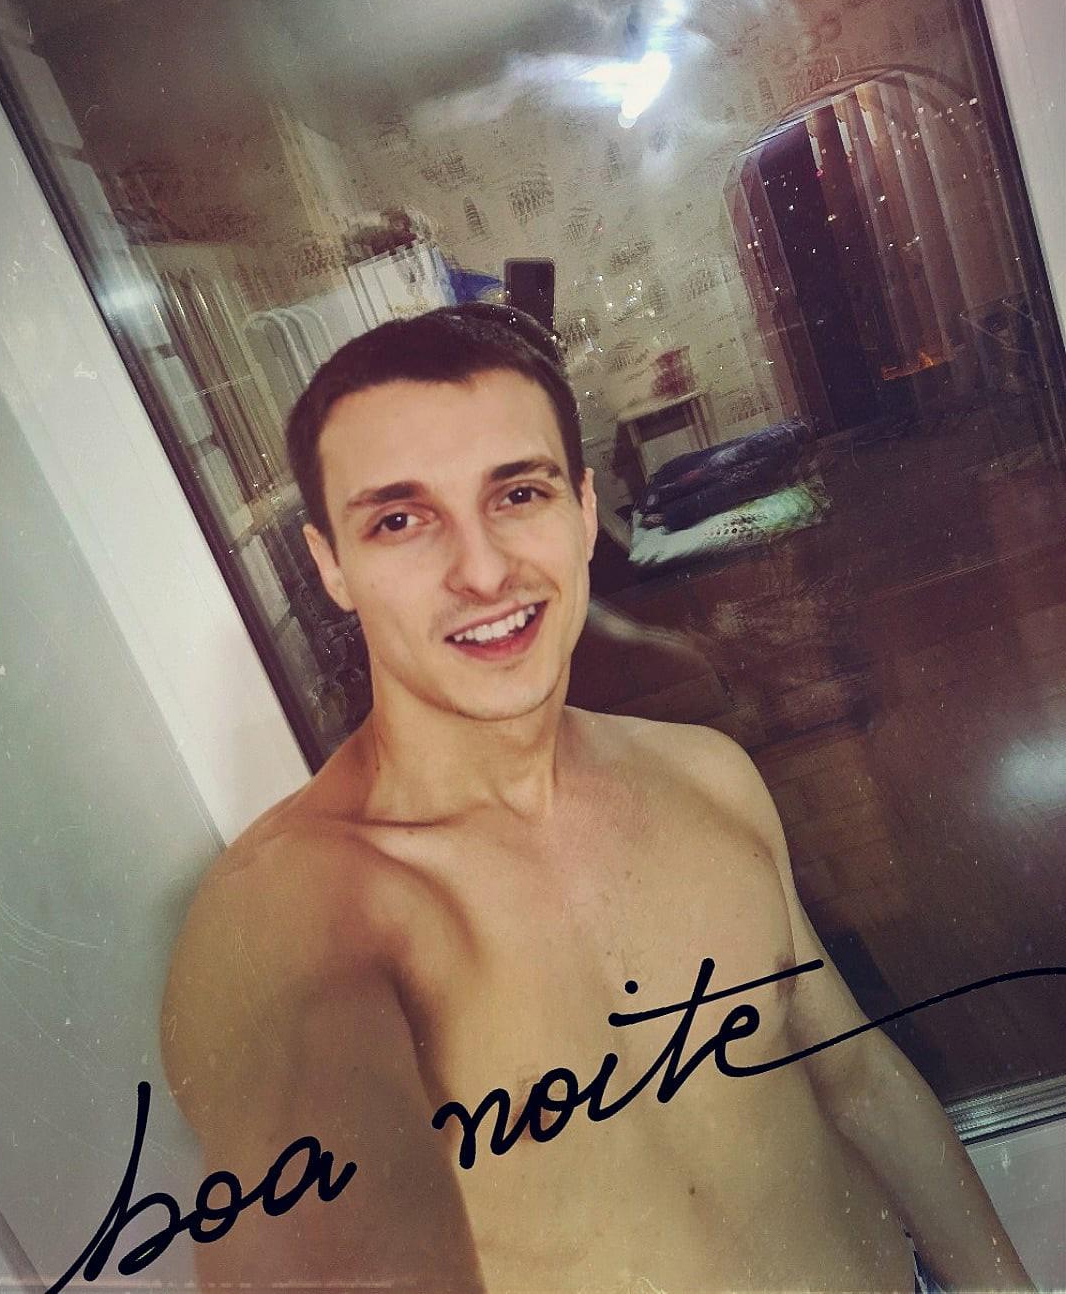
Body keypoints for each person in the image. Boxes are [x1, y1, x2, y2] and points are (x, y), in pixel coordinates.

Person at [160, 305, 1032, 1292]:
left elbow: (856, 1077)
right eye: (400, 520)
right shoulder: (305, 915)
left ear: (583, 511)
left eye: (517, 493)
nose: (483, 570)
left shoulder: (705, 774)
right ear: (331, 566)